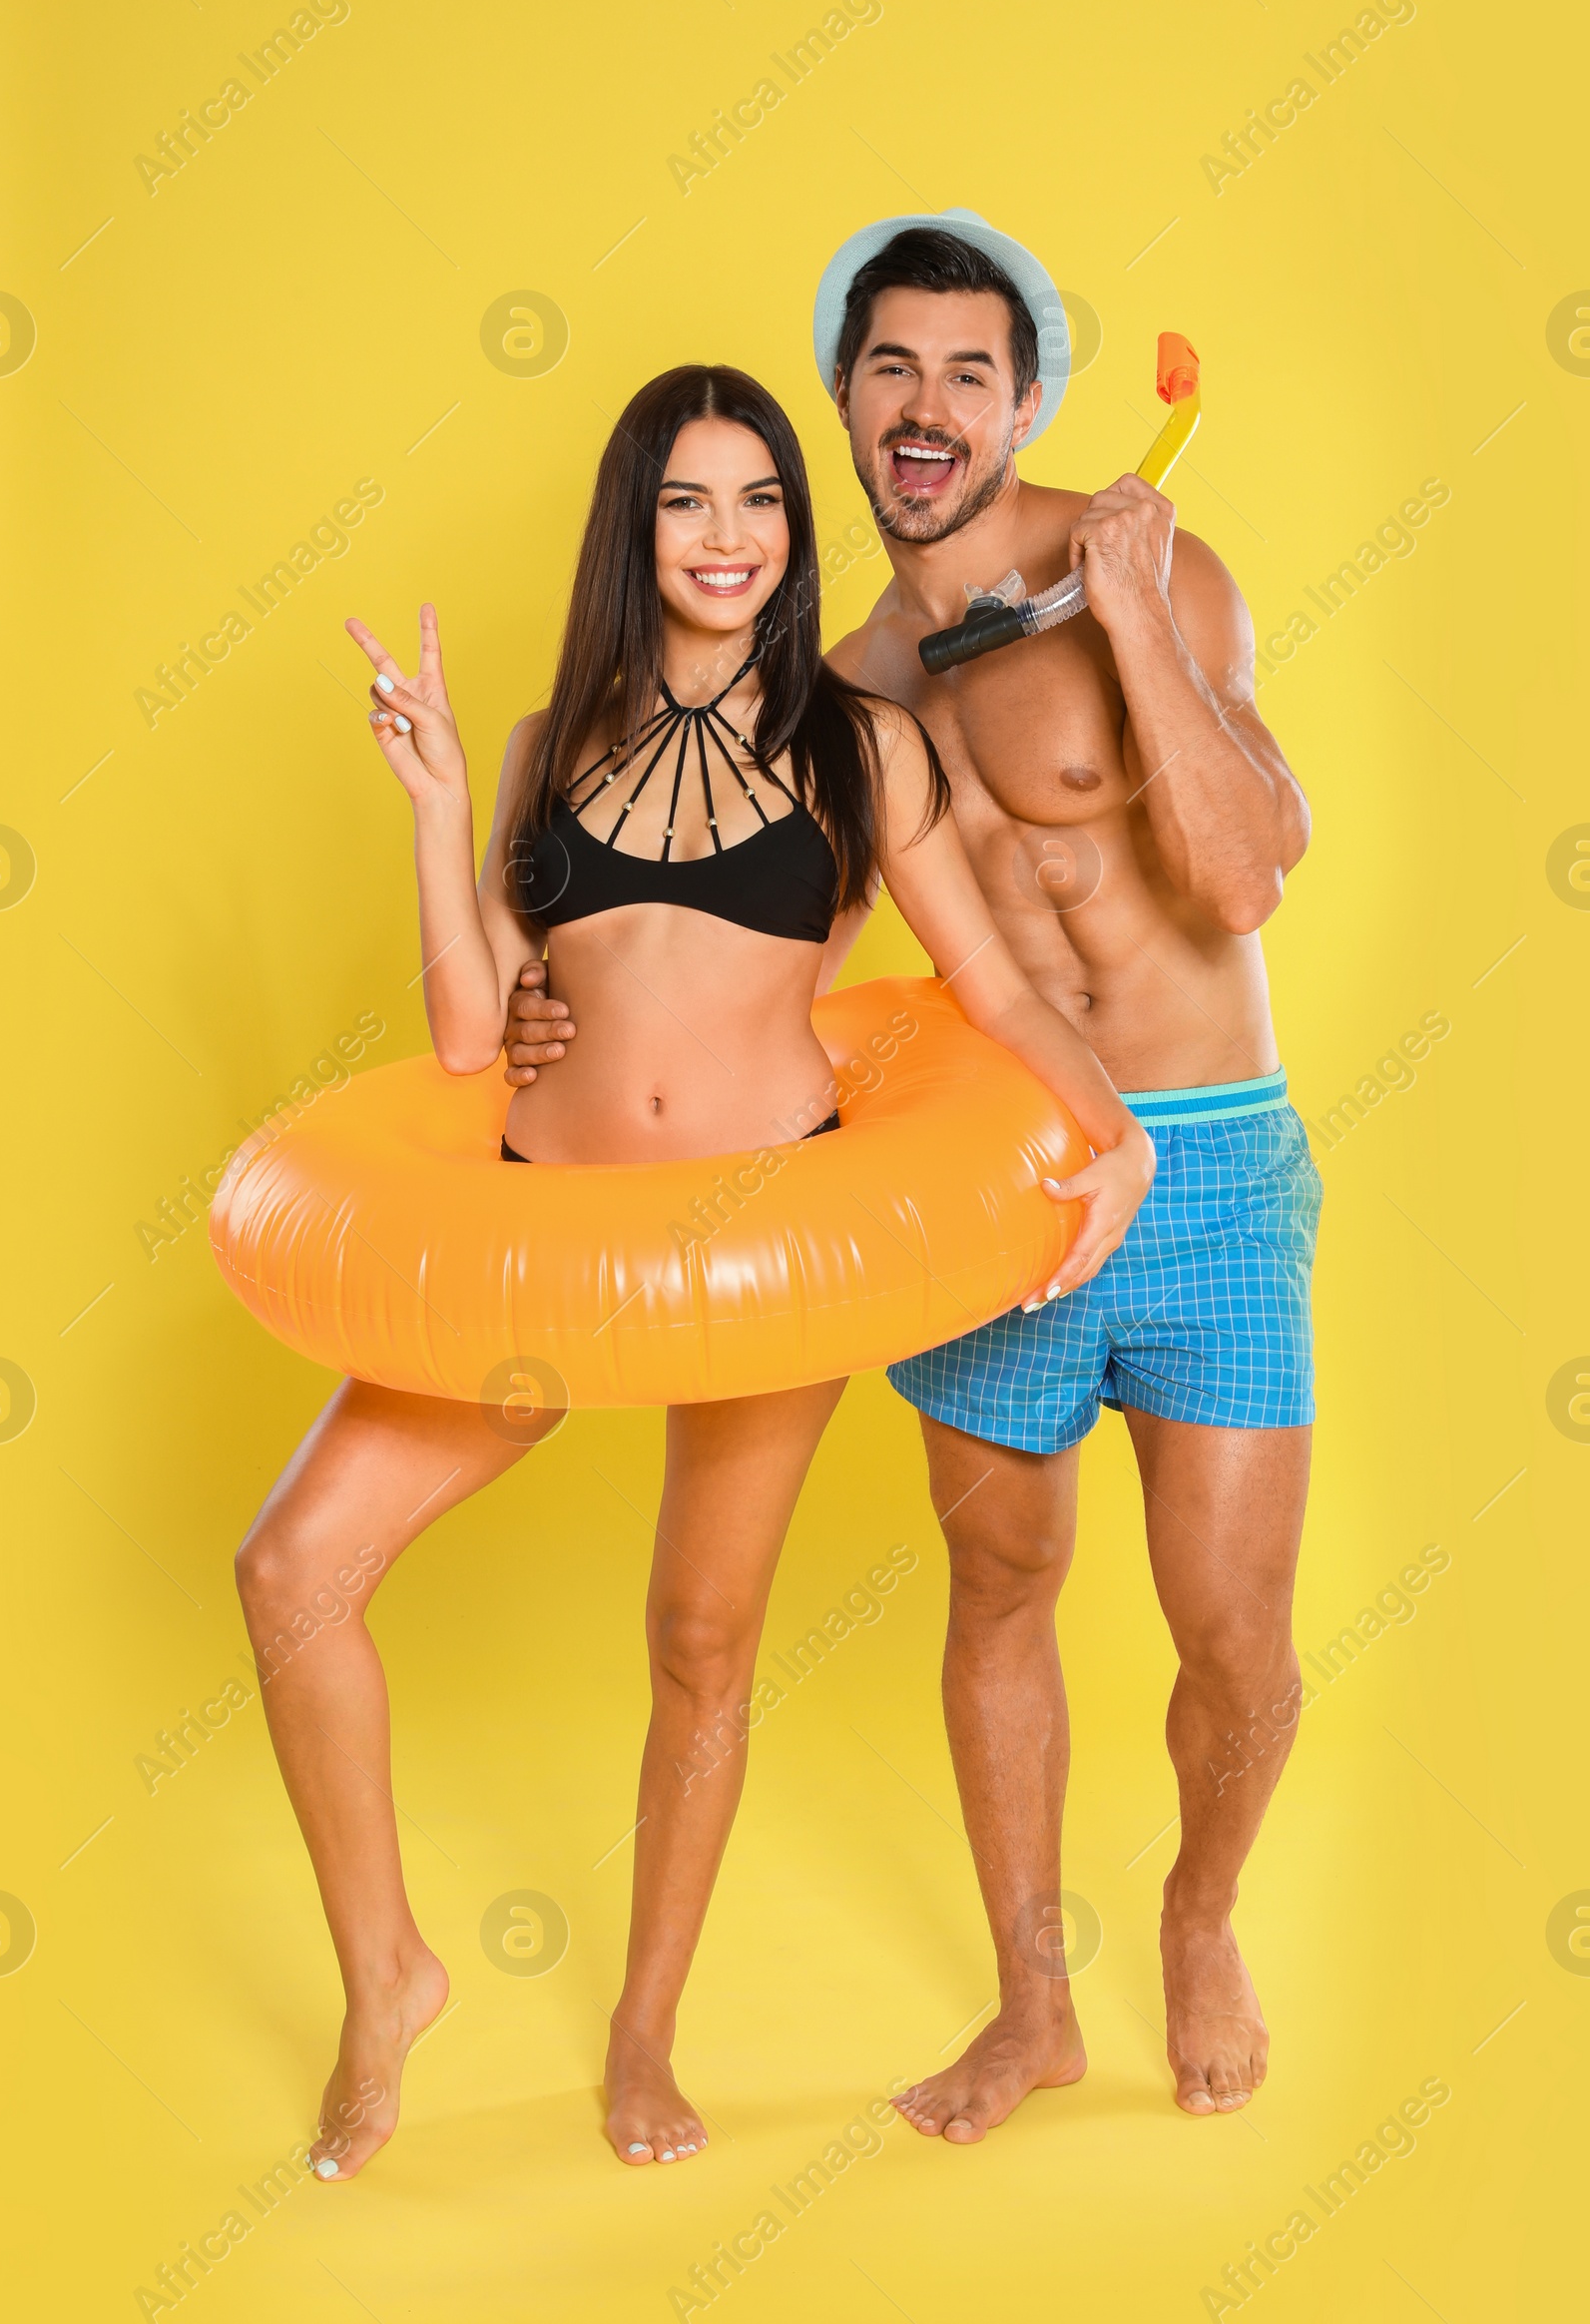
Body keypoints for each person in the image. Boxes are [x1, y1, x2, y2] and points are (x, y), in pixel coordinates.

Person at [235, 360, 1154, 2182]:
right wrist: (433, 809)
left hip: (762, 1246)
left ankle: (643, 2039)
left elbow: (987, 977)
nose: (727, 539)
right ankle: (387, 1979)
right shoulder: (544, 740)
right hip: (539, 1240)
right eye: (688, 502)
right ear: (634, 526)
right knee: (291, 1570)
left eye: (759, 503)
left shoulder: (858, 743)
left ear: (793, 534)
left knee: (700, 1638)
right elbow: (460, 1033)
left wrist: (1111, 1127)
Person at [506, 218, 1319, 2131]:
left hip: (1199, 1164)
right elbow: (733, 932)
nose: (928, 407)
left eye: (970, 370)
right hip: (991, 1188)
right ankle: (1035, 2005)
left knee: (1236, 1630)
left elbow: (1251, 868)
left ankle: (1203, 1914)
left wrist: (1123, 611)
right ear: (847, 411)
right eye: (891, 371)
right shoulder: (848, 682)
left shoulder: (1155, 564)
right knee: (1004, 1588)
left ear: (1024, 397)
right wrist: (547, 1003)